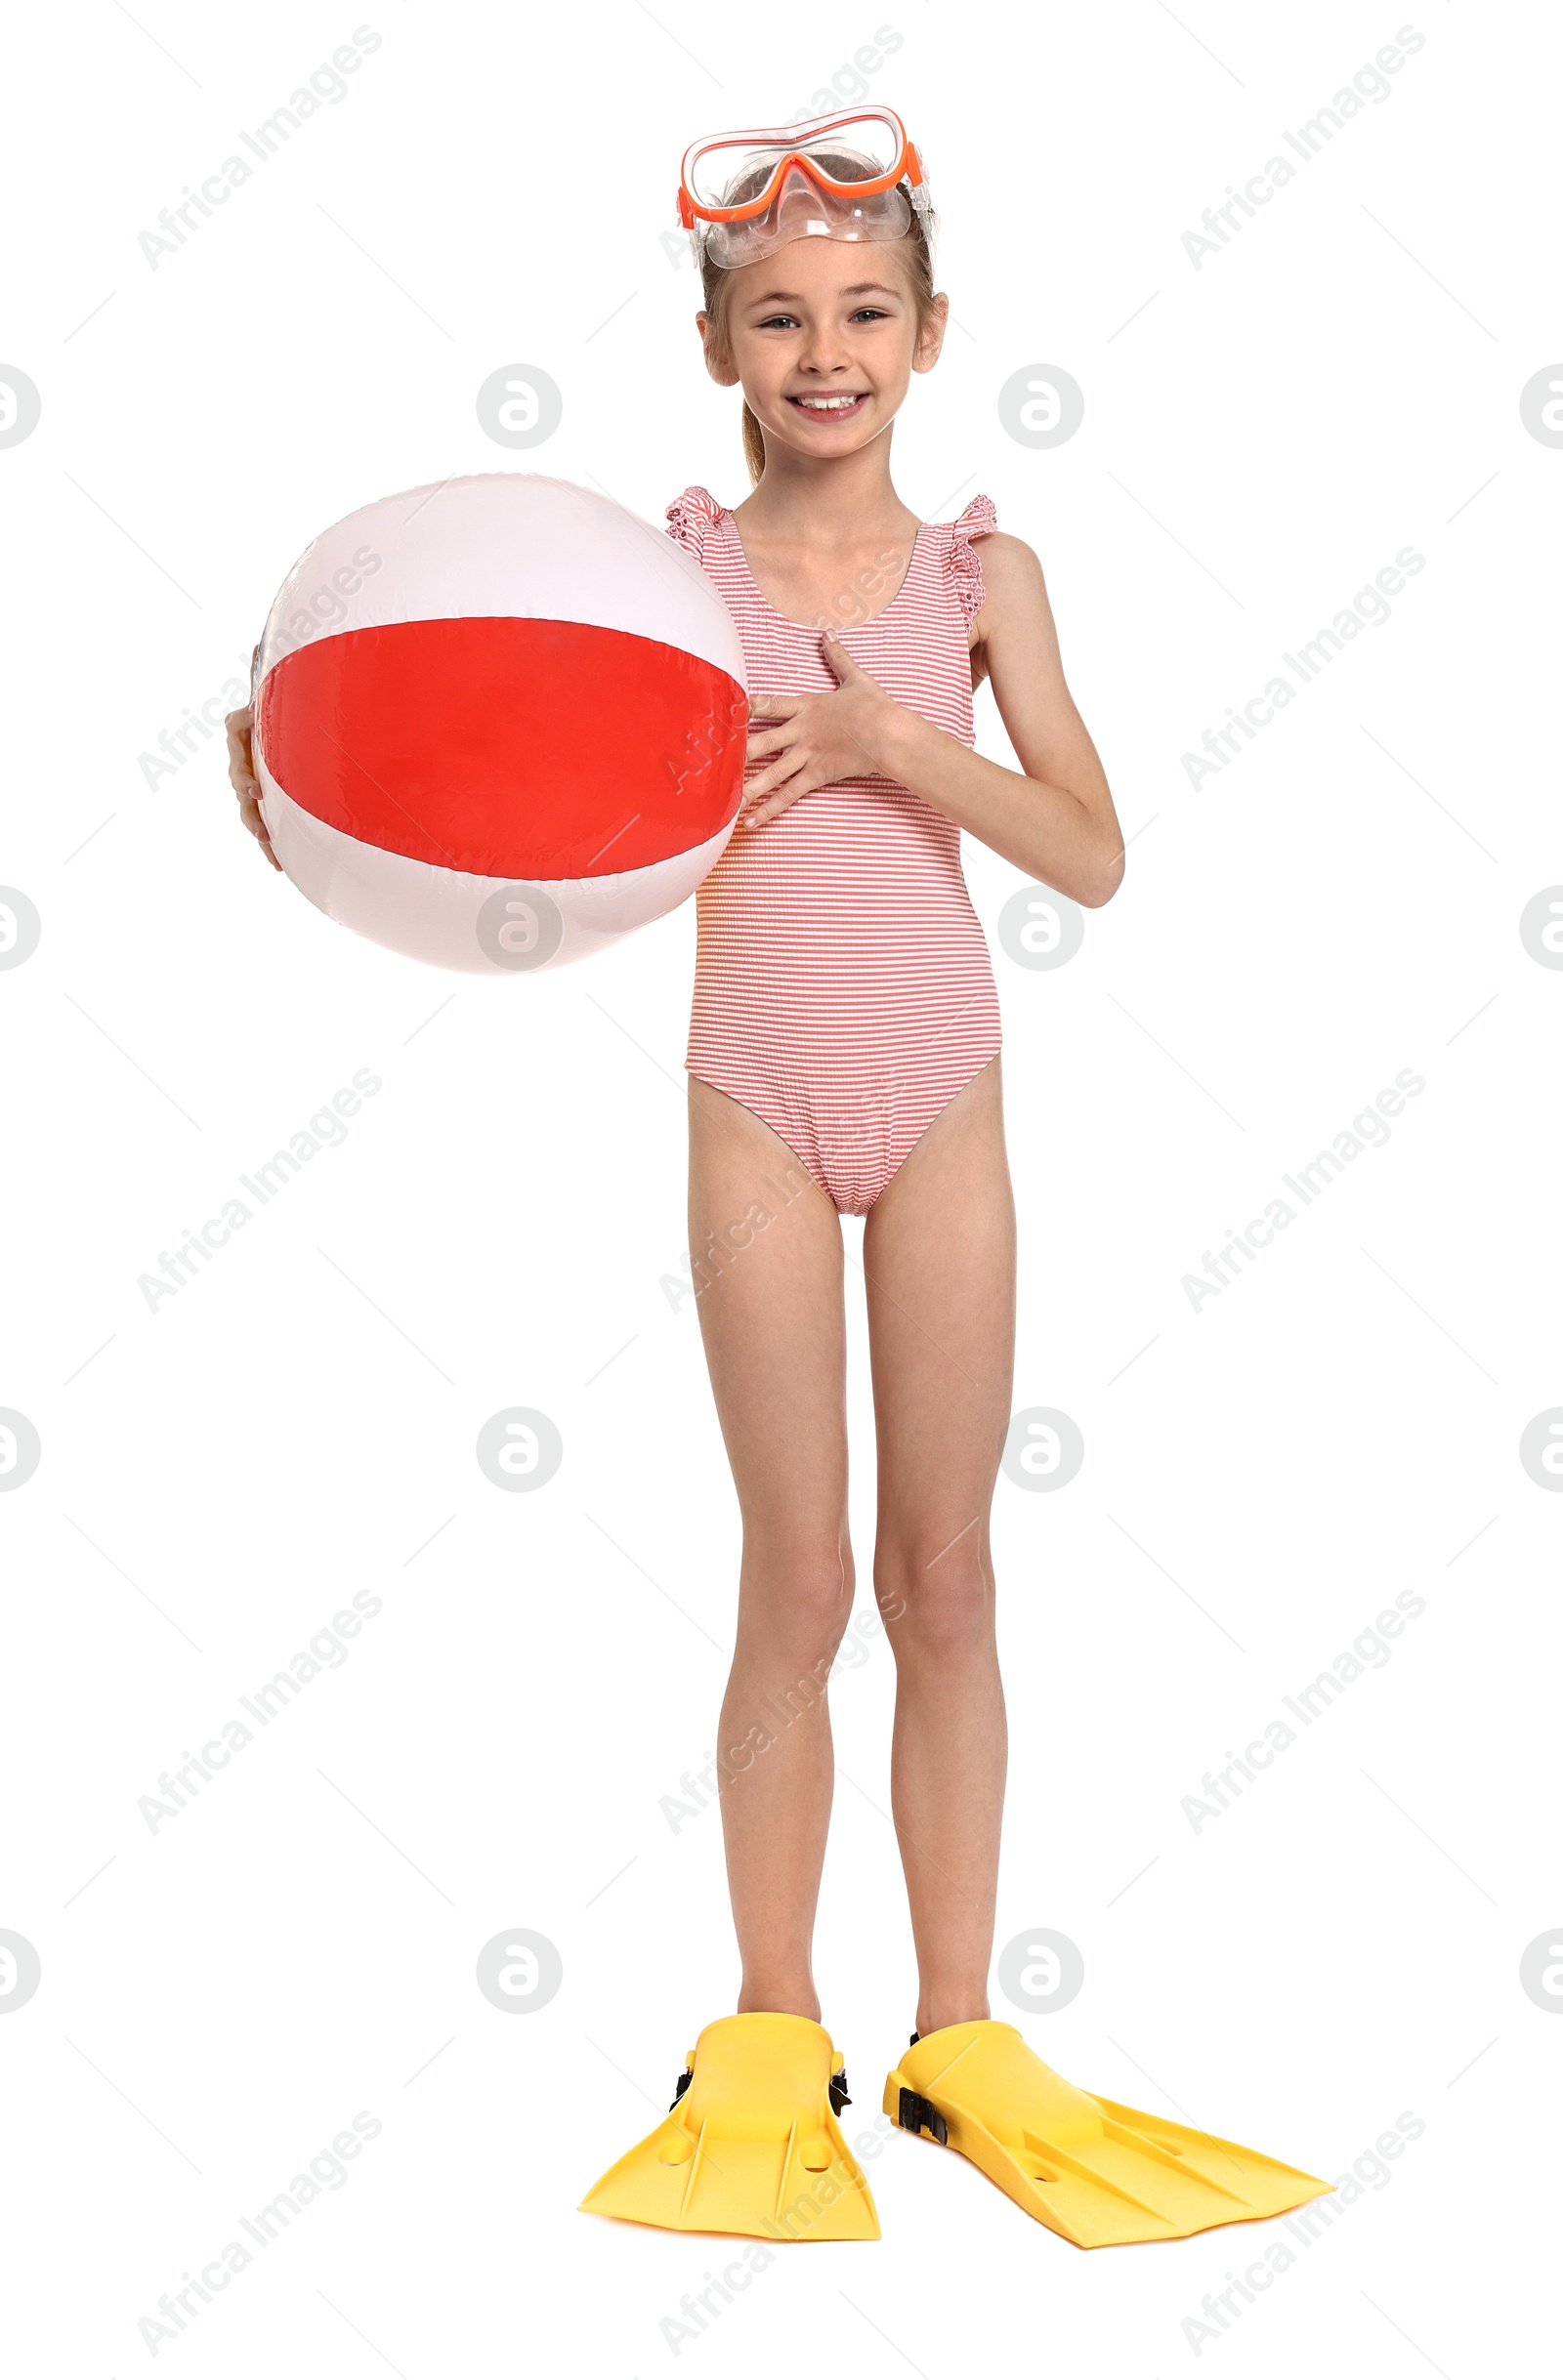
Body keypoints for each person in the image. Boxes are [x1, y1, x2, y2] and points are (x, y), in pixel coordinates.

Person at [227, 106, 1329, 2248]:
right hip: (747, 1090)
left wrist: (906, 742)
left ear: (928, 337)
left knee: (944, 1576)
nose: (824, 351)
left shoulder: (981, 577)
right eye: (777, 319)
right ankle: (768, 2023)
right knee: (794, 1578)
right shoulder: (673, 577)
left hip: (944, 1103)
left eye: (862, 313)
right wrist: (314, 779)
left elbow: (1089, 851)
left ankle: (959, 2036)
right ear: (719, 349)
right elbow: (516, 746)